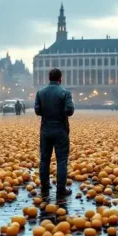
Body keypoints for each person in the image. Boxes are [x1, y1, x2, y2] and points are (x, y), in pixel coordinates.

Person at [34, 68, 74, 198]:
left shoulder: (40, 92)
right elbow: (70, 111)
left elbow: (37, 111)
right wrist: (60, 112)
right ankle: (61, 189)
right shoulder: (65, 93)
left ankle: (45, 185)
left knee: (44, 158)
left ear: (49, 78)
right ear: (60, 78)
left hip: (45, 129)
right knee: (61, 160)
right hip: (60, 129)